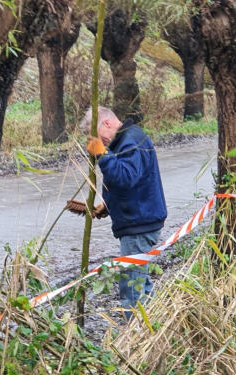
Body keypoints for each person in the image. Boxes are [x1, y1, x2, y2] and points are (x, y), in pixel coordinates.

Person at [80, 106, 167, 320]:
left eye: (100, 136)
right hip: (138, 222)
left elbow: (125, 177)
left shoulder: (132, 140)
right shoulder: (125, 140)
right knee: (141, 284)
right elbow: (125, 183)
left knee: (131, 289)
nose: (102, 142)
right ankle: (156, 329)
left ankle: (135, 338)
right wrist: (107, 205)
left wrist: (101, 154)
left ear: (107, 123)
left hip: (139, 225)